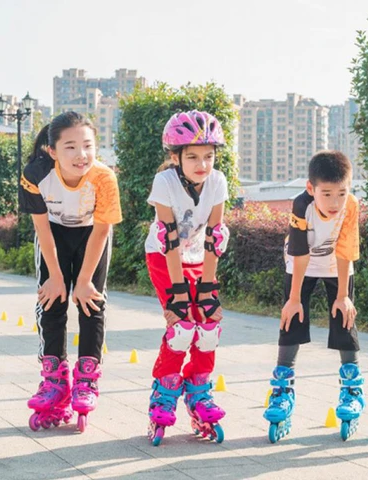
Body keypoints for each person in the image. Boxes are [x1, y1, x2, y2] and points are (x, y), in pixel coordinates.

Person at [20, 111, 122, 433]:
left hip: (92, 236)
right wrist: (55, 276)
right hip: (54, 235)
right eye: (71, 147)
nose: (82, 155)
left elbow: (103, 230)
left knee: (91, 302)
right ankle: (54, 379)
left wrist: (84, 280)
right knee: (51, 301)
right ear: (52, 151)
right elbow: (42, 229)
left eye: (88, 146)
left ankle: (87, 382)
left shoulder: (104, 178)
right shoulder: (35, 175)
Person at [263, 150, 363, 443]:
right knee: (291, 319)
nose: (335, 203)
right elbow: (299, 252)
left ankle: (352, 389)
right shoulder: (301, 205)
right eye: (327, 194)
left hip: (336, 266)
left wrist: (343, 296)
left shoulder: (351, 206)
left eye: (341, 193)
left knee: (344, 318)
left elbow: (346, 250)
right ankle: (282, 389)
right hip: (300, 266)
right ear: (311, 189)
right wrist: (294, 299)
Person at [144, 110, 230, 446]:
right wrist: (179, 295)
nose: (202, 164)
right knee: (181, 326)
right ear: (175, 156)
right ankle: (163, 395)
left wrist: (207, 290)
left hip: (198, 256)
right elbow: (169, 238)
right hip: (165, 257)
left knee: (207, 325)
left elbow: (215, 236)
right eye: (192, 156)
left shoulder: (218, 181)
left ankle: (199, 393)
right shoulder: (164, 183)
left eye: (208, 156)